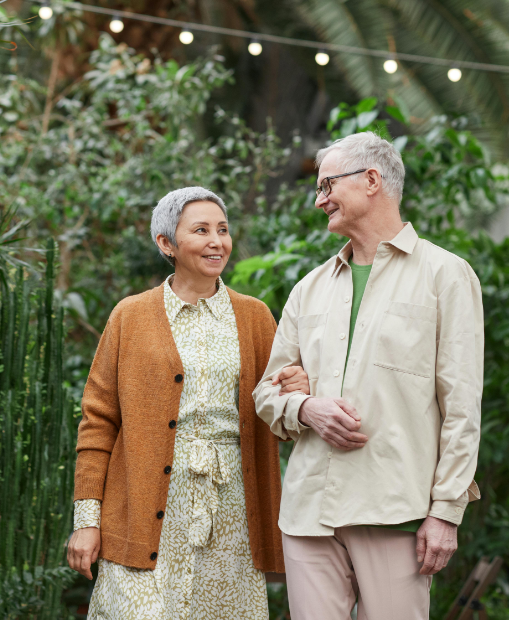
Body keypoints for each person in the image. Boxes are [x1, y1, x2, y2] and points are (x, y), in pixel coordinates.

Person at [254, 132, 483, 620]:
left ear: (372, 180)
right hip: (308, 514)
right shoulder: (308, 289)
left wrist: (445, 511)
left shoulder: (447, 276)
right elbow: (267, 393)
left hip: (395, 511)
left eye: (327, 186)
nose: (319, 201)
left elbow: (462, 407)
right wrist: (305, 408)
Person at [67, 186, 310, 620]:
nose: (217, 241)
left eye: (223, 230)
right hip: (143, 512)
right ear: (167, 244)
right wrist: (87, 520)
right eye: (201, 230)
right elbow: (98, 420)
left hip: (231, 512)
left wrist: (296, 387)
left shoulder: (255, 317)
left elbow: (279, 410)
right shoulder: (129, 316)